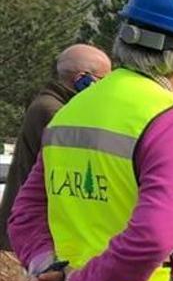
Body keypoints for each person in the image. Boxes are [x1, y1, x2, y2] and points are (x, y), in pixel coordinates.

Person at [9, 0, 173, 281]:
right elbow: (154, 237)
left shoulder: (73, 108)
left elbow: (25, 213)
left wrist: (47, 269)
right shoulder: (172, 118)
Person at [0, 44, 111, 250]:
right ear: (82, 79)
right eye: (105, 80)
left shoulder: (53, 104)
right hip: (33, 227)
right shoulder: (55, 112)